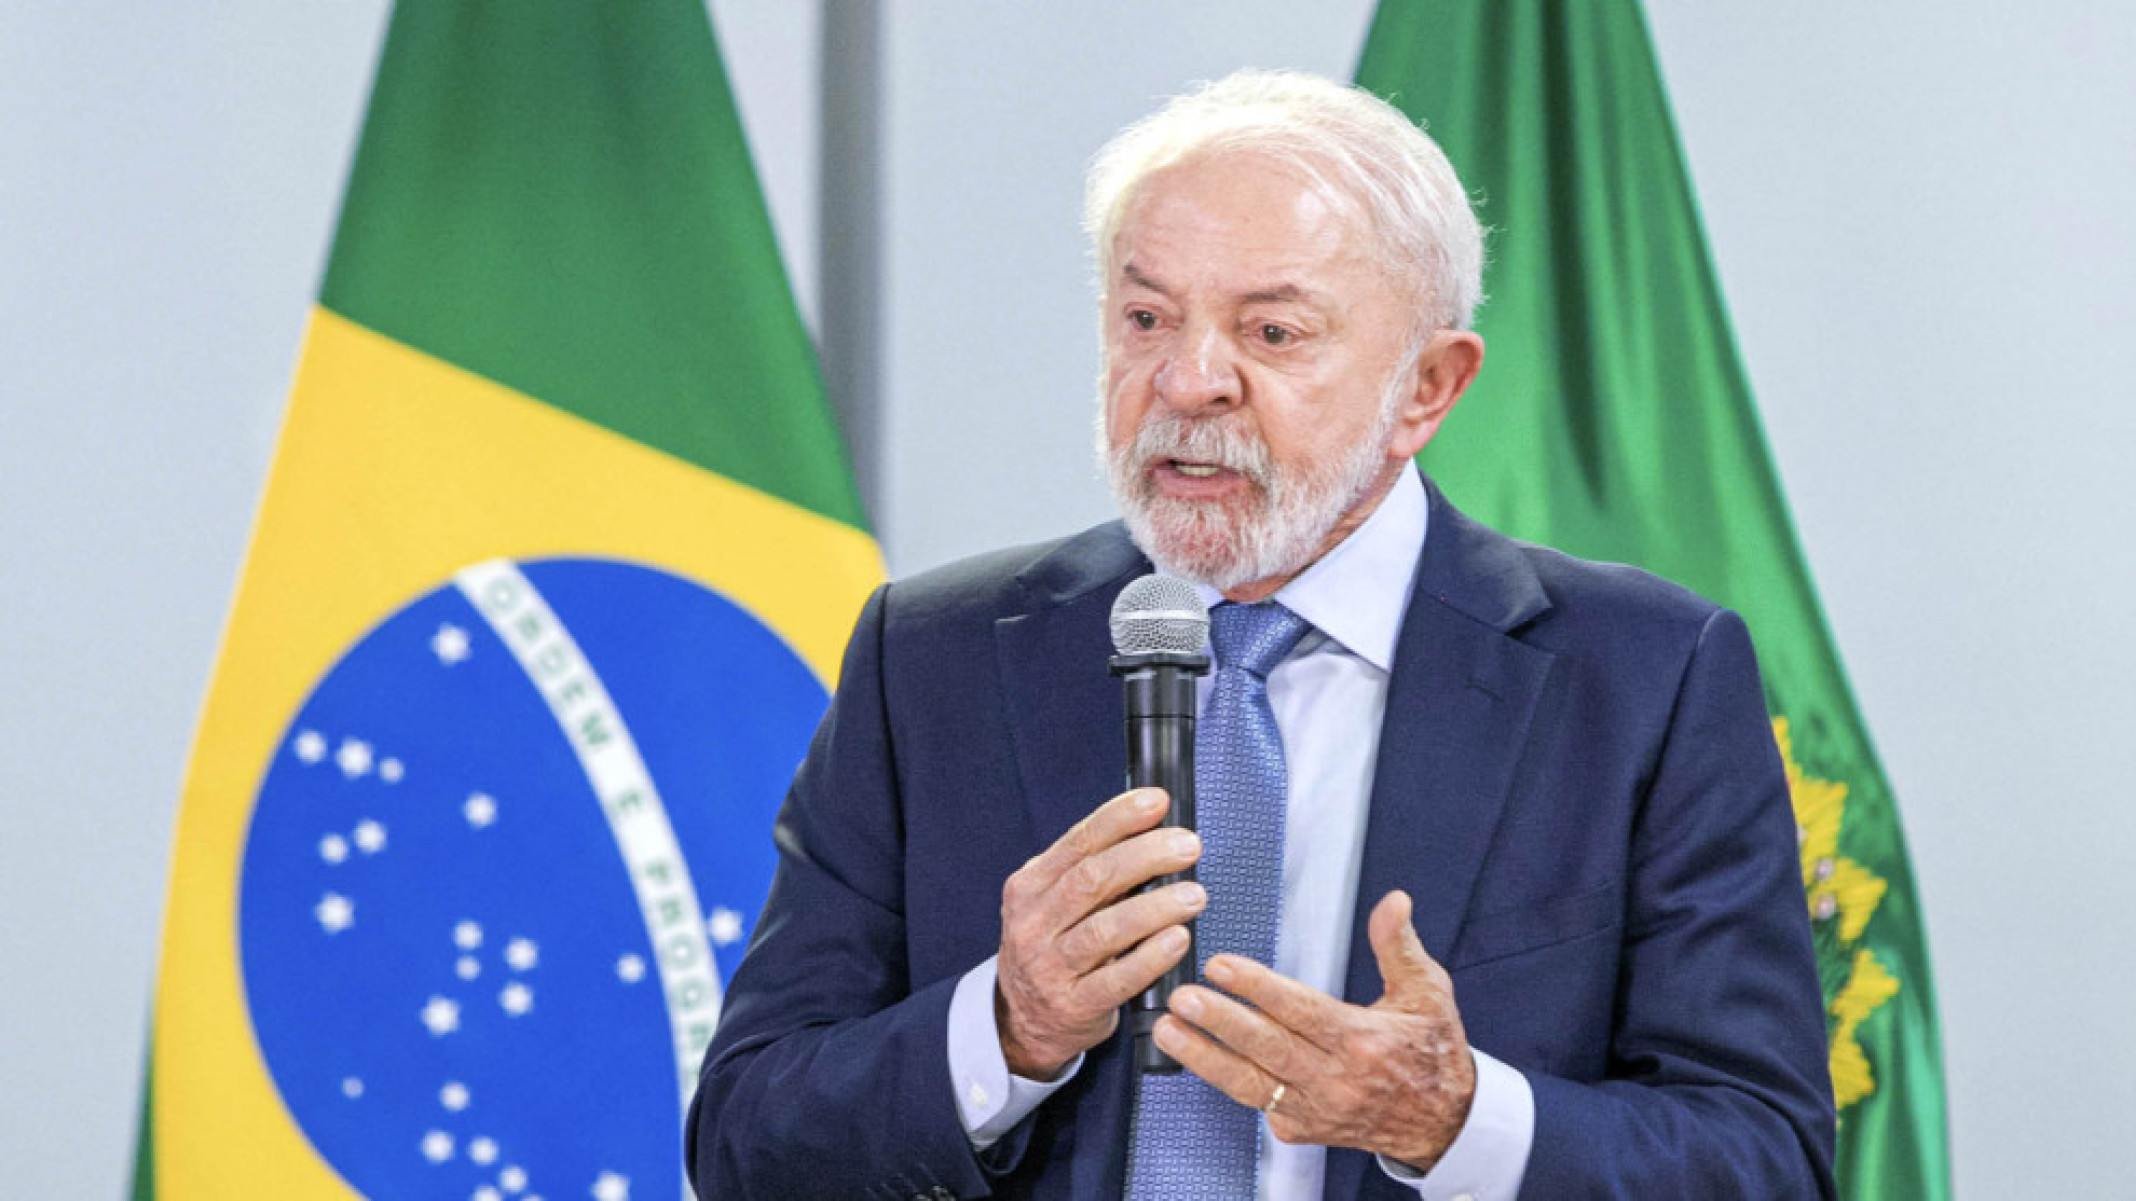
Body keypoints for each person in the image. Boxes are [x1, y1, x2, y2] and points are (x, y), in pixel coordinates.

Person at [686, 70, 1834, 1200]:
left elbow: (1765, 1161)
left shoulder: (1642, 680)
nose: (1189, 382)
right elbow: (745, 1139)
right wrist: (1004, 1025)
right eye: (1146, 318)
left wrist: (1454, 1120)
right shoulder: (934, 656)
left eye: (1273, 331)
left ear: (1428, 388)